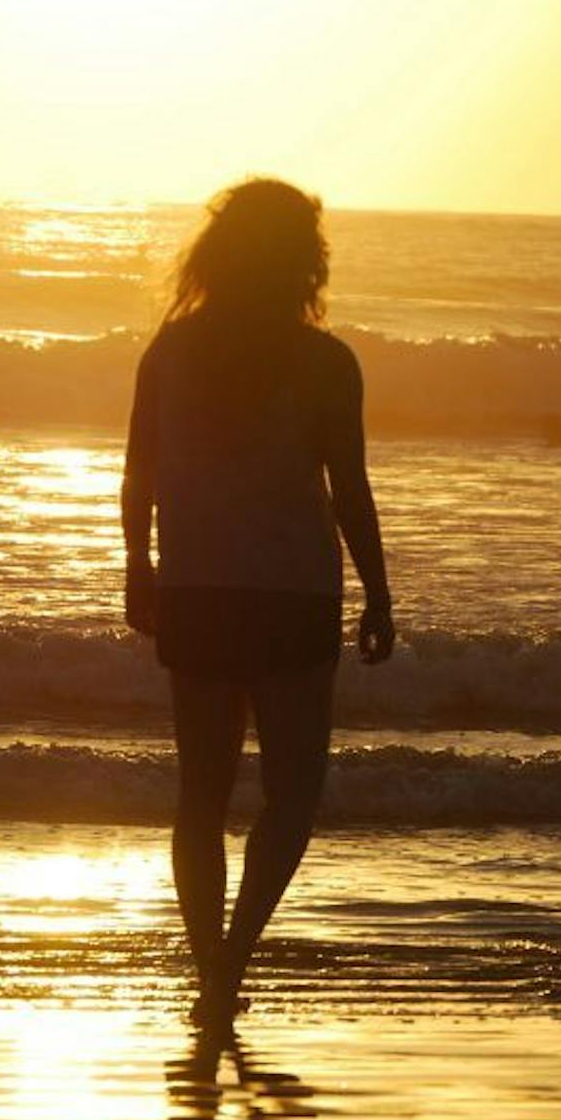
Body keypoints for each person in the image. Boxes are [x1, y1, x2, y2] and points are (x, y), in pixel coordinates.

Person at [120, 178, 394, 1031]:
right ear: (303, 260)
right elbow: (347, 489)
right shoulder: (324, 360)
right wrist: (380, 592)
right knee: (294, 791)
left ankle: (212, 970)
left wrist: (138, 565)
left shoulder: (172, 349)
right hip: (290, 592)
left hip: (198, 586)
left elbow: (139, 475)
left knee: (199, 795)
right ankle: (233, 958)